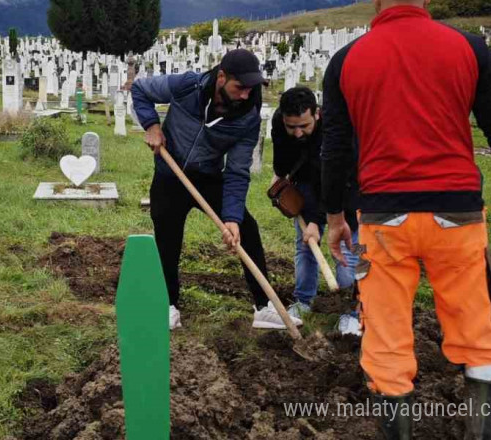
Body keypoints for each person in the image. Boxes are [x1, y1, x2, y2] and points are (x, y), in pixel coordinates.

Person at [321, 1, 491, 438]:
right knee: (478, 335)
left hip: (384, 217)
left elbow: (335, 147)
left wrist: (335, 216)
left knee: (386, 342)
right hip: (457, 214)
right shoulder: (469, 47)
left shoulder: (347, 59)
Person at [131, 49, 278, 330]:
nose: (246, 94)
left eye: (251, 88)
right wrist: (151, 125)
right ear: (221, 77)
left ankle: (264, 306)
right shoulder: (188, 85)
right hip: (170, 174)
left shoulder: (248, 117)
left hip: (208, 177)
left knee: (247, 229)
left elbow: (236, 170)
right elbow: (140, 89)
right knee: (167, 238)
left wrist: (232, 218)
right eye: (240, 87)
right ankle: (168, 304)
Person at [263, 86, 361, 335]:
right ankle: (304, 301)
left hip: (346, 185)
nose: (297, 133)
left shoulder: (336, 128)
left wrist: (318, 219)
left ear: (317, 114)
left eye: (304, 126)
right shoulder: (280, 121)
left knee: (349, 251)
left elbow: (333, 178)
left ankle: (352, 311)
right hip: (306, 182)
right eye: (291, 127)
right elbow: (282, 163)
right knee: (305, 244)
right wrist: (282, 181)